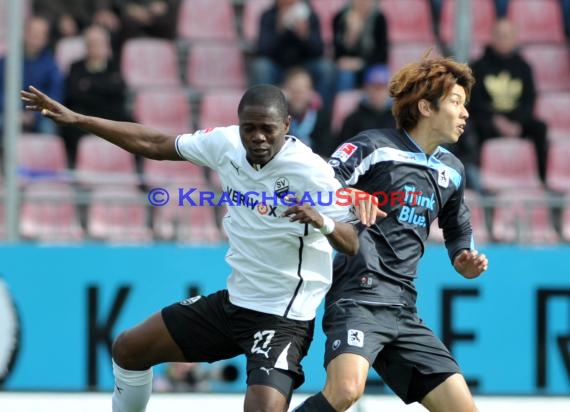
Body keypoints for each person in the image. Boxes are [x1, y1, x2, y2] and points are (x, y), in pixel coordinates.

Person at [21, 83, 360, 412]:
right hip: (234, 306)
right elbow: (154, 143)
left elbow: (352, 242)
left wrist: (323, 222)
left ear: (287, 125)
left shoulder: (311, 172)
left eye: (268, 129)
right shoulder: (225, 144)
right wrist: (81, 120)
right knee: (128, 349)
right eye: (249, 128)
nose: (257, 137)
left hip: (284, 317)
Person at [293, 55, 489, 411]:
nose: (465, 114)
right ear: (426, 107)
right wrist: (349, 193)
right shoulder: (372, 147)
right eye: (456, 103)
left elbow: (458, 228)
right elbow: (316, 183)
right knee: (345, 392)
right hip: (358, 298)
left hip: (404, 309)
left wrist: (464, 258)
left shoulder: (452, 170)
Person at [469, 18, 548, 184]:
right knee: (470, 129)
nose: (503, 39)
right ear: (492, 36)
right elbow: (475, 102)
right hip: (489, 122)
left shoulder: (524, 67)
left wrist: (517, 123)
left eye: (508, 35)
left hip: (516, 121)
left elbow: (529, 100)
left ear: (515, 38)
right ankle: (479, 179)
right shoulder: (478, 66)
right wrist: (496, 121)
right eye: (500, 35)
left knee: (540, 128)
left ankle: (541, 178)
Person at [61, 25, 132, 168]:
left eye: (99, 43)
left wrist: (90, 86)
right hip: (84, 119)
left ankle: (137, 172)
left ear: (106, 45)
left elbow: (119, 94)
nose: (95, 47)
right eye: (91, 44)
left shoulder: (114, 67)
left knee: (134, 128)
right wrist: (104, 89)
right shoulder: (76, 67)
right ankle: (75, 169)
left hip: (111, 118)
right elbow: (74, 95)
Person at [249, 0, 336, 109]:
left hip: (304, 68)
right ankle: (264, 112)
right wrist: (278, 30)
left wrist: (305, 34)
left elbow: (318, 51)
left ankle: (321, 116)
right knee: (260, 67)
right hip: (277, 68)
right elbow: (263, 50)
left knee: (326, 68)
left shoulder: (310, 16)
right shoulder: (268, 16)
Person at [0, 16, 64, 136]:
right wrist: (12, 111)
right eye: (33, 33)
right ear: (24, 33)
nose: (36, 38)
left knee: (48, 128)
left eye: (41, 34)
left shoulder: (51, 65)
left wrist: (34, 115)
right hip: (8, 112)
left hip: (39, 115)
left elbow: (55, 96)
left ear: (46, 38)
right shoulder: (7, 61)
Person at [332, 0, 389, 91]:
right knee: (345, 76)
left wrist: (361, 63)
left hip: (371, 63)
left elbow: (382, 55)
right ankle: (345, 104)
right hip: (348, 66)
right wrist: (351, 35)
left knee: (377, 76)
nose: (363, 3)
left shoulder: (379, 18)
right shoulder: (340, 18)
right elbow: (338, 55)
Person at [280, 66, 333, 157]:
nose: (298, 96)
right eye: (293, 91)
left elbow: (326, 151)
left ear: (310, 92)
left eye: (302, 91)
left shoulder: (322, 117)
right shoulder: (279, 118)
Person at [337, 64, 396, 144]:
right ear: (366, 88)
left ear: (390, 90)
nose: (377, 92)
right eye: (373, 87)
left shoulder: (398, 120)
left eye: (381, 87)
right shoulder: (353, 119)